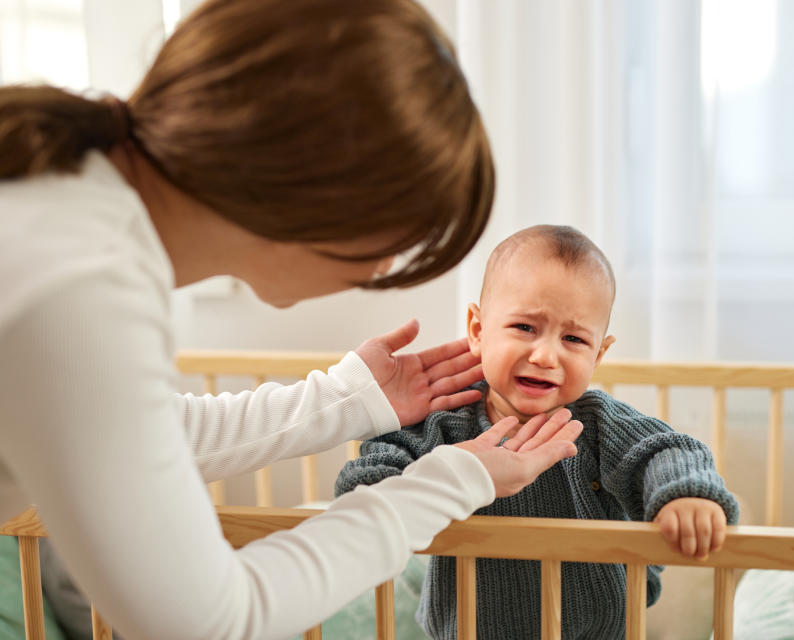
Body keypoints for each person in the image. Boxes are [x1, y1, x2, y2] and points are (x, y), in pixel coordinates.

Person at [0, 1, 585, 638]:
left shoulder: (74, 209)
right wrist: (455, 478)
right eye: (399, 234)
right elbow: (214, 622)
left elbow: (137, 434)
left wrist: (343, 400)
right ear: (317, 184)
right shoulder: (79, 285)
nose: (386, 265)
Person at [336, 225, 740, 640]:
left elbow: (666, 450)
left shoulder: (597, 424)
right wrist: (372, 493)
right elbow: (380, 462)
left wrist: (687, 492)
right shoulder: (446, 419)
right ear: (478, 330)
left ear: (598, 354)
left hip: (593, 633)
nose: (546, 355)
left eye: (574, 338)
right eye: (525, 328)